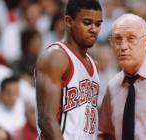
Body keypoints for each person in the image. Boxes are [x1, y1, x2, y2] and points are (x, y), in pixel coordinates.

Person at [35, 0, 102, 140]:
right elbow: (46, 119)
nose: (94, 29)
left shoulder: (94, 64)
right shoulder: (56, 57)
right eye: (87, 22)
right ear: (68, 21)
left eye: (98, 24)